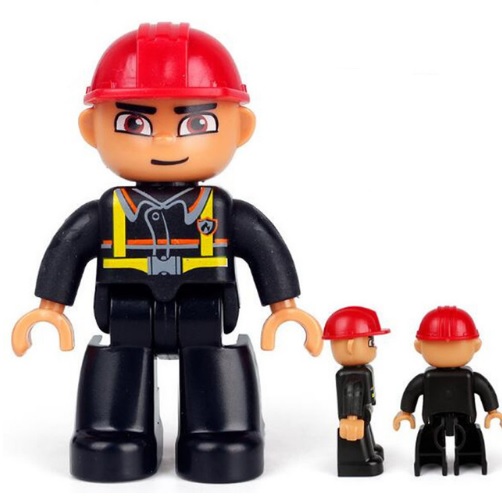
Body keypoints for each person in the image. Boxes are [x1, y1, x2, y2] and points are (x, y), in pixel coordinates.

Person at [12, 22, 322, 484]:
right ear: (91, 128)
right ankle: (114, 429)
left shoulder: (224, 212)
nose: (163, 141)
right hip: (128, 311)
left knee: (212, 360)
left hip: (203, 310)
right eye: (134, 123)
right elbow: (69, 247)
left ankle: (220, 429)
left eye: (195, 123)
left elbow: (262, 246)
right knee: (120, 359)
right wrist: (49, 308)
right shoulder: (107, 213)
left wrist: (285, 307)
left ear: (241, 127)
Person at [393, 306, 502, 475]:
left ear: (476, 345)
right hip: (433, 419)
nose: (447, 348)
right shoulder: (427, 378)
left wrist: (492, 411)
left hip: (465, 418)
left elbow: (483, 388)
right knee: (430, 439)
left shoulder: (469, 377)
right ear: (419, 346)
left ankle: (470, 456)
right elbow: (412, 391)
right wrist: (406, 412)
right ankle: (429, 458)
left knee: (469, 437)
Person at [323, 306, 389, 476]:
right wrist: (351, 417)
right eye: (370, 342)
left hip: (363, 410)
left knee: (366, 428)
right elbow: (351, 393)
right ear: (351, 346)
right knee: (359, 433)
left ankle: (370, 450)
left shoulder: (364, 370)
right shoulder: (350, 376)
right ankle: (362, 460)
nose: (374, 347)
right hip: (355, 415)